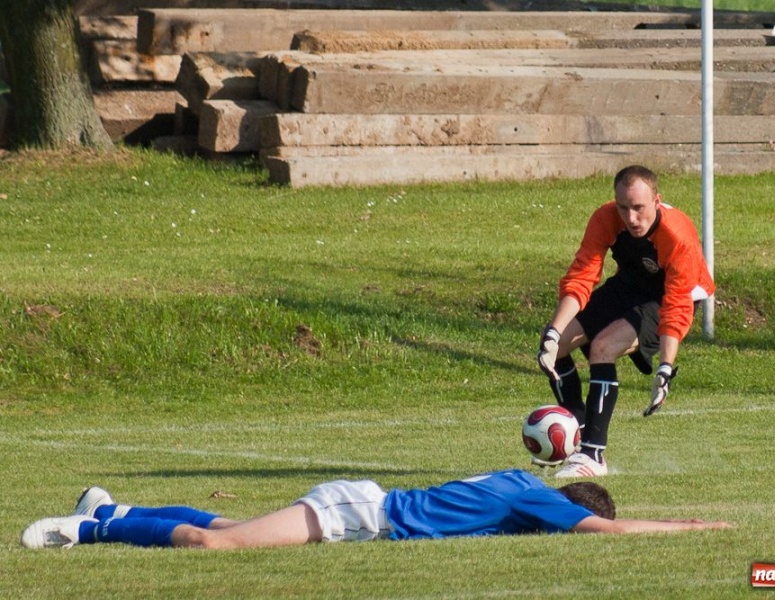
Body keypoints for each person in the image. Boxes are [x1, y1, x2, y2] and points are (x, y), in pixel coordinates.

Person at [21, 469, 730, 549]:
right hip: (363, 514)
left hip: (362, 503)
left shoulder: (520, 483)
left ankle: (116, 509)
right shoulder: (537, 500)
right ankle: (87, 531)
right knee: (222, 548)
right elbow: (610, 529)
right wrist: (692, 527)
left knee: (232, 527)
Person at [537, 165, 714, 478]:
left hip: (669, 297)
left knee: (602, 348)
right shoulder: (605, 218)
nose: (631, 218)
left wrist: (665, 368)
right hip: (630, 284)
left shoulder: (678, 236)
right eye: (623, 207)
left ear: (657, 201)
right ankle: (576, 428)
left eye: (639, 208)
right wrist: (553, 333)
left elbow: (677, 306)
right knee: (559, 344)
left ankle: (592, 456)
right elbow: (581, 277)